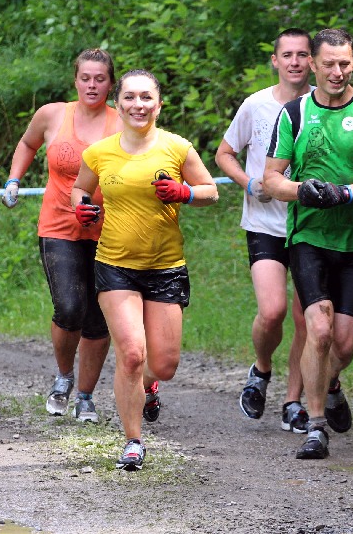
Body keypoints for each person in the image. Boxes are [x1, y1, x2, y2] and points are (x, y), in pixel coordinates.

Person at [263, 28, 353, 460]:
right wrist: (302, 190)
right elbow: (271, 179)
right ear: (313, 65)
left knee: (342, 346)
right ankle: (316, 424)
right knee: (318, 329)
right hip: (307, 238)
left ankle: (330, 383)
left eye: (344, 63)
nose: (337, 72)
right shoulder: (293, 114)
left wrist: (348, 193)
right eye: (328, 63)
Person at [71, 69, 218, 471]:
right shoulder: (99, 152)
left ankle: (150, 386)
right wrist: (81, 206)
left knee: (163, 365)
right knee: (132, 354)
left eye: (146, 98)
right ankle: (133, 442)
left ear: (159, 103)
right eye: (130, 98)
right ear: (117, 104)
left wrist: (184, 192)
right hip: (115, 264)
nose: (139, 105)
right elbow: (80, 188)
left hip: (165, 266)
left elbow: (211, 191)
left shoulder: (177, 147)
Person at [2, 49, 119, 423]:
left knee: (99, 318)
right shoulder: (53, 114)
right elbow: (27, 144)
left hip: (109, 229)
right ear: (76, 80)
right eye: (86, 77)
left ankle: (86, 396)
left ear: (111, 84)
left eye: (100, 78)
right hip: (59, 225)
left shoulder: (121, 123)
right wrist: (14, 179)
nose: (92, 84)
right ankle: (64, 375)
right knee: (69, 308)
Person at [215, 28, 313, 433]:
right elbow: (224, 154)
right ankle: (261, 369)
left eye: (302, 54)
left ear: (312, 61)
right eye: (286, 54)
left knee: (306, 320)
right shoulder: (255, 105)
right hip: (264, 223)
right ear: (275, 60)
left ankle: (293, 402)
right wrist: (248, 182)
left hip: (311, 225)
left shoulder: (322, 107)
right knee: (272, 312)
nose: (294, 61)